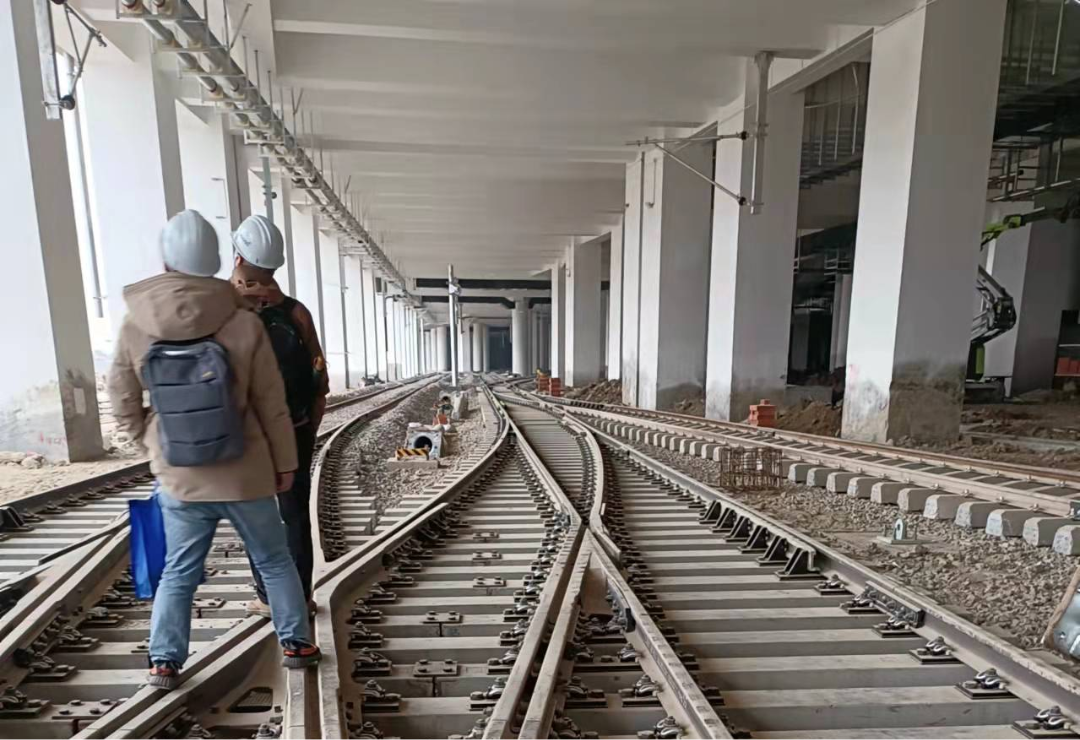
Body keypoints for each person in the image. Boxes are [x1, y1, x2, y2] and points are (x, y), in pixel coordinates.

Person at [107, 209, 321, 691]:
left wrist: (152, 441)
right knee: (274, 560)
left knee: (179, 570)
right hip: (246, 472)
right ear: (218, 260)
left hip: (181, 475)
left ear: (166, 262)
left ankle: (164, 661)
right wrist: (285, 464)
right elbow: (271, 404)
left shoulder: (136, 324)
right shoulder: (243, 322)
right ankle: (295, 643)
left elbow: (122, 399)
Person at [230, 214, 329, 617]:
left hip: (245, 435)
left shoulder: (224, 310)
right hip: (294, 430)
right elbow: (319, 380)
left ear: (238, 256)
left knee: (254, 516)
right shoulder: (296, 313)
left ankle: (267, 598)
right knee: (294, 515)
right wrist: (307, 429)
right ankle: (301, 597)